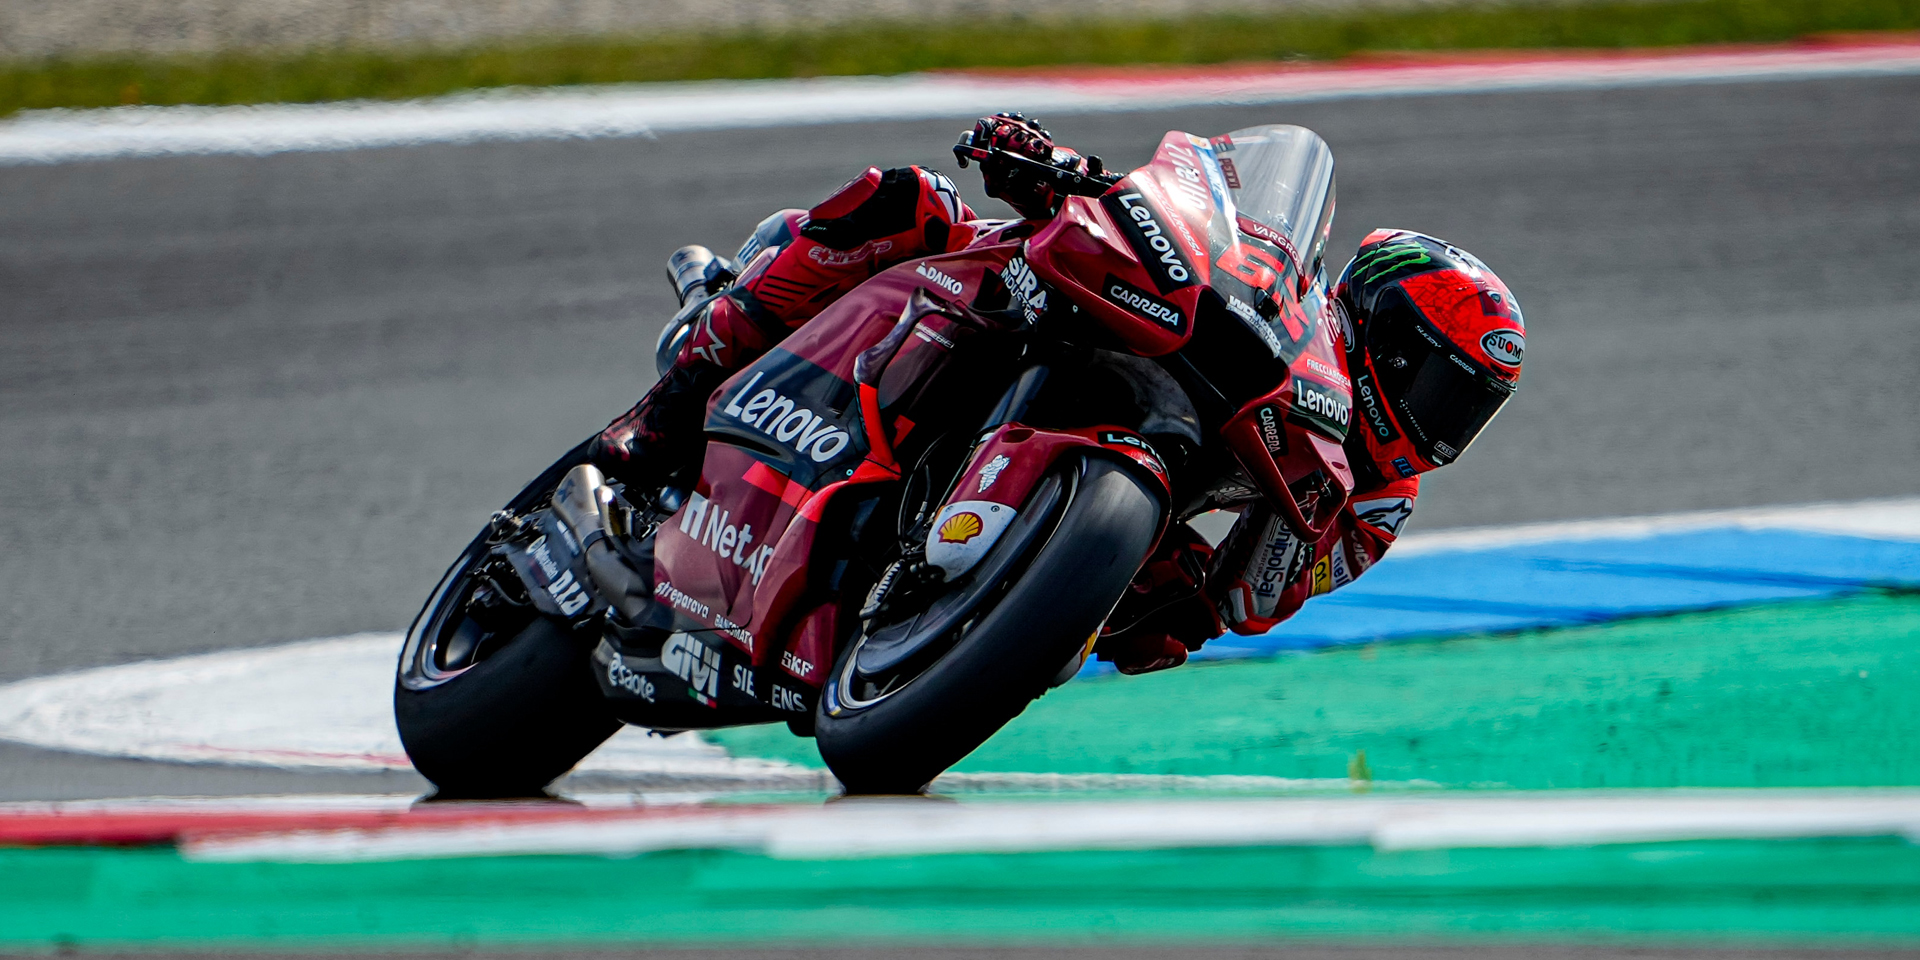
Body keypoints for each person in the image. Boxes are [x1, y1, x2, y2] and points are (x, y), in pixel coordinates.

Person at [590, 113, 1524, 675]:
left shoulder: (1372, 502)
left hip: (1125, 490)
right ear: (1381, 331)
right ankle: (667, 409)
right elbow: (1171, 215)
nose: (1445, 422)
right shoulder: (1280, 295)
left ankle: (936, 607)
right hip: (1036, 315)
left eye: (1467, 407)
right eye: (1442, 384)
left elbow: (1240, 600)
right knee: (908, 203)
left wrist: (1149, 606)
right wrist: (1051, 168)